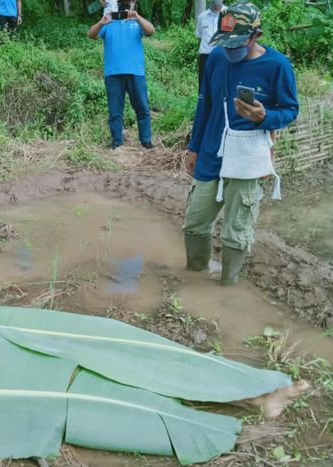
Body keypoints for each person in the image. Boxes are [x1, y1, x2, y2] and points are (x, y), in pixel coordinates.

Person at [183, 2, 299, 285]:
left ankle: (227, 288)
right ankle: (194, 275)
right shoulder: (216, 59)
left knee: (236, 231)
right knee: (195, 223)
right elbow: (204, 104)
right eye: (226, 43)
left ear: (255, 35)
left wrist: (264, 117)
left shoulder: (277, 65)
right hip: (212, 151)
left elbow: (290, 110)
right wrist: (194, 146)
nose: (230, 50)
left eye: (238, 44)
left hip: (246, 158)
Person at [88, 4, 155, 150]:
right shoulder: (108, 21)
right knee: (115, 110)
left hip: (136, 72)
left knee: (142, 108)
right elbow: (91, 35)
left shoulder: (136, 21)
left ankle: (146, 141)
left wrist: (137, 17)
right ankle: (117, 141)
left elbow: (151, 30)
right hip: (113, 73)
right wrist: (101, 22)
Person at [195, 0, 223, 89]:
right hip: (205, 57)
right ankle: (203, 103)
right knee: (204, 87)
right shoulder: (202, 17)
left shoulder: (230, 15)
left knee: (221, 86)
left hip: (224, 57)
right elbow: (199, 37)